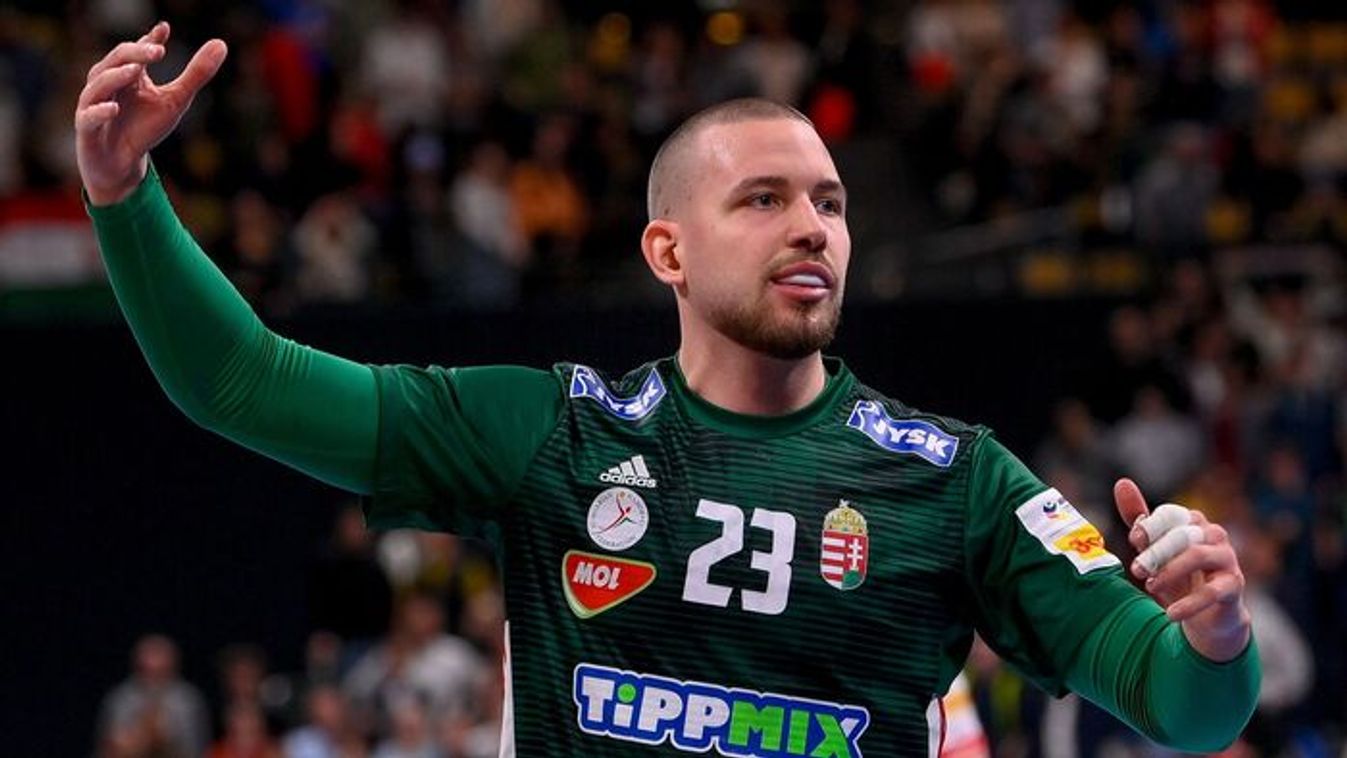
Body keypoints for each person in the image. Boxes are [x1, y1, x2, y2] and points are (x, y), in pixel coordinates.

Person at [77, 22, 1259, 757]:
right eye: (764, 199)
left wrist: (1215, 633)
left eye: (831, 202)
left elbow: (1189, 707)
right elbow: (240, 379)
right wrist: (127, 195)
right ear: (667, 250)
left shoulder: (958, 479)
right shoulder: (554, 433)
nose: (812, 227)